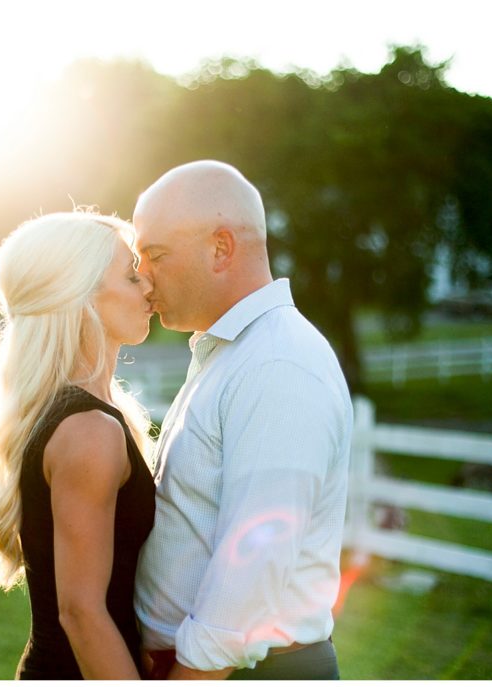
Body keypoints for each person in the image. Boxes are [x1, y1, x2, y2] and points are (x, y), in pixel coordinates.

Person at [131, 160, 353, 680]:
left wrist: (187, 677)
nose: (142, 275)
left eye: (155, 254)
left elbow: (250, 572)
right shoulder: (234, 354)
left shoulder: (278, 363)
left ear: (221, 248)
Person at [0, 211, 157, 679]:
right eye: (132, 275)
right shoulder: (88, 430)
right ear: (83, 296)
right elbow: (81, 614)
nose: (149, 288)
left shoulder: (86, 414)